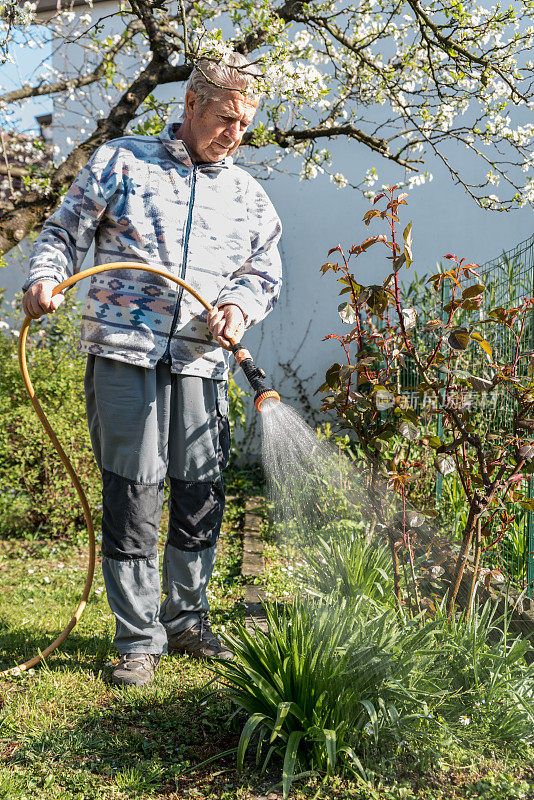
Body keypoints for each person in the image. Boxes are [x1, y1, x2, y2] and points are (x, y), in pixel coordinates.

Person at [21, 53, 282, 687]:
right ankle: (139, 638)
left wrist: (239, 306)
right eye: (224, 117)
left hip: (201, 360)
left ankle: (187, 619)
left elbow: (264, 273)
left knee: (200, 492)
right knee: (134, 491)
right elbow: (62, 232)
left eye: (244, 123)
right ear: (191, 105)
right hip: (123, 350)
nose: (233, 133)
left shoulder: (249, 197)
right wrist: (45, 277)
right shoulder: (123, 161)